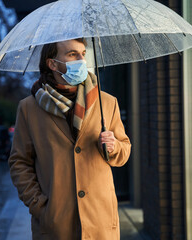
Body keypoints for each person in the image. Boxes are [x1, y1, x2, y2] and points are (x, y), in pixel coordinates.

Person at [8, 38, 131, 240]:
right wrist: (40, 206)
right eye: (72, 54)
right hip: (56, 225)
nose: (81, 59)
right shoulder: (29, 108)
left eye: (83, 53)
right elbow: (19, 162)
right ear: (52, 63)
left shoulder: (107, 102)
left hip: (100, 222)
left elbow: (124, 152)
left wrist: (114, 146)